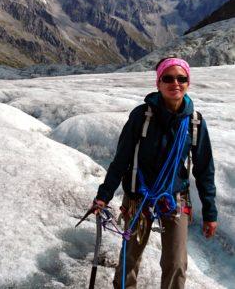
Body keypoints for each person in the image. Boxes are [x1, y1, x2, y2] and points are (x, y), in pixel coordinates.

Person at [93, 57, 217, 289]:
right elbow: (121, 159)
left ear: (188, 83)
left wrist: (210, 212)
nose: (175, 83)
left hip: (174, 198)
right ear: (158, 83)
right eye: (168, 78)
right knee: (130, 257)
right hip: (138, 198)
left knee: (177, 263)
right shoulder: (142, 117)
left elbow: (204, 170)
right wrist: (103, 196)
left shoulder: (195, 123)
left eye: (182, 78)